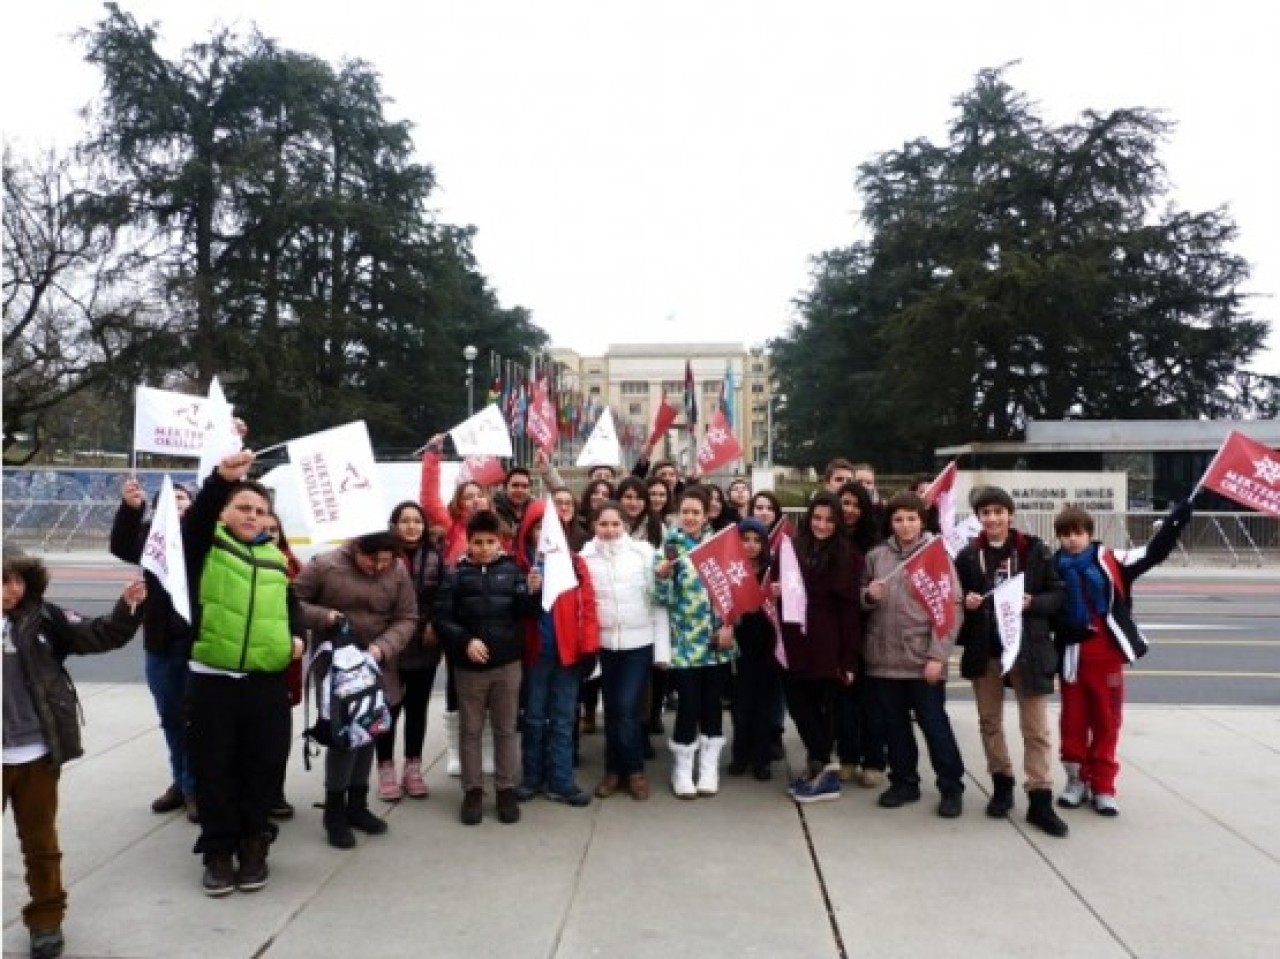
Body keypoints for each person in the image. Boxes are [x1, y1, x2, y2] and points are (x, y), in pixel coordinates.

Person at [4, 547, 145, 959]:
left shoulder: (44, 618)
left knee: (41, 845)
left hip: (34, 753)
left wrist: (128, 607)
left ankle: (46, 921)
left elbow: (101, 634)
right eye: (3, 581)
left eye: (19, 580)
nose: (13, 590)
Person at [183, 451, 305, 896]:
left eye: (260, 510)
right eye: (243, 508)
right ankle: (218, 851)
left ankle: (254, 844)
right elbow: (196, 521)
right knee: (214, 768)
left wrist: (297, 636)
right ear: (224, 513)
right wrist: (221, 479)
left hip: (265, 681)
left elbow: (290, 606)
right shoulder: (204, 545)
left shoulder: (275, 558)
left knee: (264, 766)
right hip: (213, 678)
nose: (253, 516)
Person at [1051, 498, 1193, 817]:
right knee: (1072, 723)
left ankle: (1103, 786)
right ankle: (1076, 781)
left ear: (1089, 534)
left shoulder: (1113, 559)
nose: (1072, 539)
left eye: (1078, 533)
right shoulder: (1051, 566)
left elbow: (1153, 553)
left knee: (1106, 722)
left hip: (1107, 656)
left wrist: (1175, 523)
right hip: (1072, 658)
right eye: (1065, 534)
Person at [954, 485, 1069, 837]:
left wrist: (1032, 603)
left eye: (998, 512)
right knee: (990, 722)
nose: (992, 518)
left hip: (1027, 649)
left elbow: (1058, 594)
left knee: (1036, 728)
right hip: (986, 650)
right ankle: (1001, 785)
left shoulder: (1034, 550)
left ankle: (1040, 797)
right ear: (978, 518)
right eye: (985, 513)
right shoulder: (968, 555)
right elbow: (955, 598)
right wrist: (967, 602)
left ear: (1010, 514)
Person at [296, 530, 416, 848]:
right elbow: (291, 602)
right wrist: (323, 616)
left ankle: (357, 805)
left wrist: (382, 648)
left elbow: (407, 618)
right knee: (343, 738)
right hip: (337, 670)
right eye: (372, 560)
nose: (378, 567)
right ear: (356, 548)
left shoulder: (398, 571)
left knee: (369, 732)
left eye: (385, 561)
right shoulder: (324, 565)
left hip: (377, 666)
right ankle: (334, 811)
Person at [861, 493, 966, 817]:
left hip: (922, 659)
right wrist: (868, 596)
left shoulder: (936, 555)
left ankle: (951, 786)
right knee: (894, 727)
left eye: (911, 519)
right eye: (898, 519)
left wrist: (937, 655)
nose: (905, 526)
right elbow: (859, 597)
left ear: (922, 521)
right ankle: (904, 781)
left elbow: (951, 607)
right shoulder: (876, 556)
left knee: (934, 725)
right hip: (883, 658)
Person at [434, 510, 540, 826]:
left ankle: (505, 789)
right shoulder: (455, 575)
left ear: (500, 542)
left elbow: (525, 612)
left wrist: (532, 591)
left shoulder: (513, 571)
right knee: (470, 730)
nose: (484, 548)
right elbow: (442, 618)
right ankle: (473, 791)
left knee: (506, 729)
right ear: (468, 542)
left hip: (507, 665)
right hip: (469, 668)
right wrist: (465, 641)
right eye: (477, 542)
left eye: (490, 542)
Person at [108, 476, 199, 822]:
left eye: (182, 497)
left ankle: (194, 788)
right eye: (169, 499)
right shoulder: (151, 541)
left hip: (196, 646)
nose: (176, 503)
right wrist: (131, 509)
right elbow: (121, 544)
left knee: (195, 721)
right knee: (171, 719)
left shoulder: (203, 539)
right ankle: (182, 782)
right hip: (160, 644)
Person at [773, 492, 861, 803]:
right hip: (793, 641)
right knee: (799, 707)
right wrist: (776, 590)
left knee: (821, 711)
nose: (822, 525)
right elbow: (777, 588)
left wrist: (848, 659)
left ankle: (825, 767)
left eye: (829, 520)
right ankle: (819, 764)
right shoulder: (792, 549)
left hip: (827, 644)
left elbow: (850, 612)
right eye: (817, 518)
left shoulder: (847, 555)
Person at [419, 433, 498, 776]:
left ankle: (488, 750)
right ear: (459, 503)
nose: (475, 499)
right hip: (460, 622)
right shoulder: (451, 528)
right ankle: (455, 750)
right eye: (468, 496)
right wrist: (432, 456)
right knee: (456, 683)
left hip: (494, 620)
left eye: (479, 494)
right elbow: (428, 497)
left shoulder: (499, 531)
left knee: (493, 687)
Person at [581, 502, 670, 801]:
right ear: (594, 526)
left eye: (615, 524)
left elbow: (658, 601)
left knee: (626, 706)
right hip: (604, 645)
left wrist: (662, 651)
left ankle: (634, 771)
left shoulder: (643, 553)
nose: (609, 530)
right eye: (603, 524)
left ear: (626, 526)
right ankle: (614, 771)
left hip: (638, 644)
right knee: (613, 709)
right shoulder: (585, 558)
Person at [513, 500, 600, 807]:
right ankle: (531, 778)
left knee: (564, 719)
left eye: (549, 528)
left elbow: (588, 608)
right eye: (538, 528)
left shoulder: (575, 564)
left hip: (568, 655)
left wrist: (588, 648)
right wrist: (528, 590)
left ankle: (561, 779)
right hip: (535, 656)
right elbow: (513, 610)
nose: (544, 535)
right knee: (534, 718)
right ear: (528, 532)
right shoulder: (519, 565)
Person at [655, 486, 738, 799]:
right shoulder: (669, 549)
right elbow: (659, 599)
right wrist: (663, 577)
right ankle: (682, 769)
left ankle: (708, 768)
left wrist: (729, 625)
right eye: (685, 512)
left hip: (716, 642)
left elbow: (734, 590)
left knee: (712, 705)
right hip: (684, 644)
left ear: (706, 515)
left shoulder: (720, 546)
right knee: (688, 705)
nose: (690, 517)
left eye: (696, 512)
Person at [376, 501, 445, 801]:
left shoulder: (436, 556)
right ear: (393, 525)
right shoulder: (383, 555)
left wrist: (433, 624)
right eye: (404, 520)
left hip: (424, 644)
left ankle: (413, 768)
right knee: (387, 709)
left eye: (417, 521)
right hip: (388, 645)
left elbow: (443, 595)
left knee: (417, 709)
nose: (411, 526)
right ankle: (385, 768)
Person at [834, 480, 887, 787]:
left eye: (856, 504)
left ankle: (874, 760)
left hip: (870, 629)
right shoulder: (828, 538)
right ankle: (847, 757)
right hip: (838, 630)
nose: (850, 510)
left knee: (871, 701)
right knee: (843, 699)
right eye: (845, 503)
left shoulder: (876, 545)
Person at [727, 518, 782, 781]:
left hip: (767, 646)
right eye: (745, 540)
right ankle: (740, 754)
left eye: (757, 540)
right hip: (740, 646)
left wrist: (778, 593)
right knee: (741, 704)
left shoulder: (773, 571)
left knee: (764, 705)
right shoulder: (731, 570)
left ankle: (762, 758)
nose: (750, 545)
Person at [261, 510, 302, 821]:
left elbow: (299, 608)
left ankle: (274, 792)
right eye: (264, 529)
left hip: (283, 663)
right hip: (248, 662)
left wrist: (298, 636)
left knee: (278, 735)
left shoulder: (292, 566)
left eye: (274, 529)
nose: (269, 534)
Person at [615, 476, 665, 548]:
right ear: (619, 499)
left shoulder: (656, 525)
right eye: (628, 497)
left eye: (639, 498)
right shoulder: (610, 522)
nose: (633, 503)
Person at [492, 467, 534, 531]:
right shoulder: (494, 508)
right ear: (505, 488)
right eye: (515, 485)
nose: (520, 490)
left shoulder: (535, 509)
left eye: (525, 486)